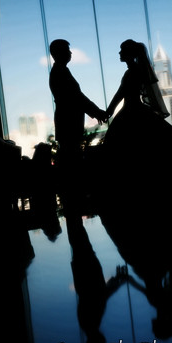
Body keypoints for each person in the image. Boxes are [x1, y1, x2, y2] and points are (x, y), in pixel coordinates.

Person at [49, 39, 106, 213]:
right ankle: (73, 202)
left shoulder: (60, 71)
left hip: (67, 122)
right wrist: (97, 111)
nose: (71, 53)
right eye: (67, 50)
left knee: (70, 158)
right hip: (69, 123)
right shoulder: (61, 72)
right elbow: (77, 97)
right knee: (71, 160)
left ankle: (72, 203)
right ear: (59, 53)